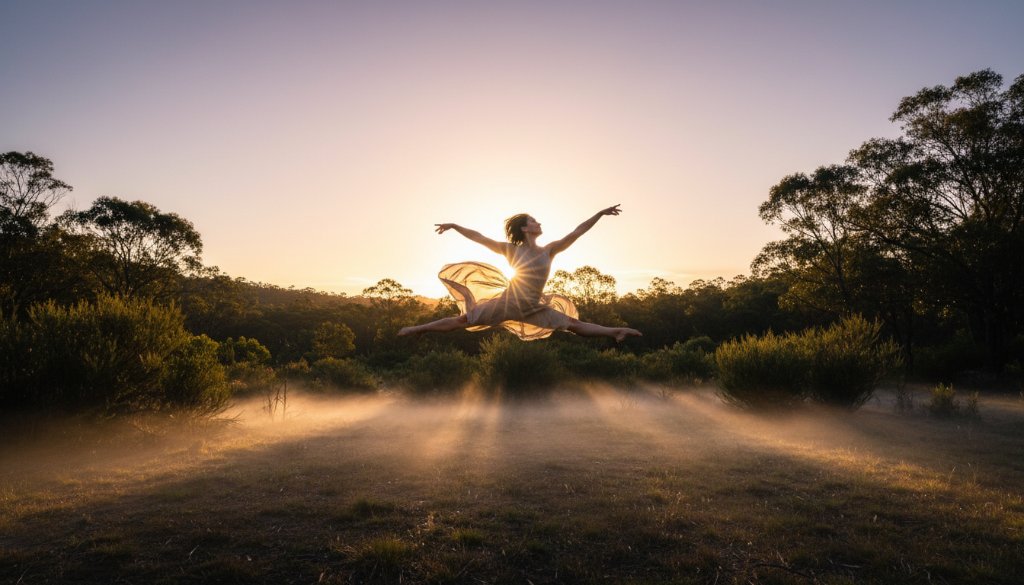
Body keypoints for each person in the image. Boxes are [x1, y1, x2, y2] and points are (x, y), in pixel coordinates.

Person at [398, 205, 642, 342]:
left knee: (573, 324)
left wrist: (598, 214)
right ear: (525, 229)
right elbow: (479, 237)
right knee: (462, 321)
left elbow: (577, 232)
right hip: (506, 304)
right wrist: (454, 226)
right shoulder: (510, 251)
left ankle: (615, 331)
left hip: (532, 308)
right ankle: (417, 329)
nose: (539, 223)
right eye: (534, 221)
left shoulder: (550, 250)